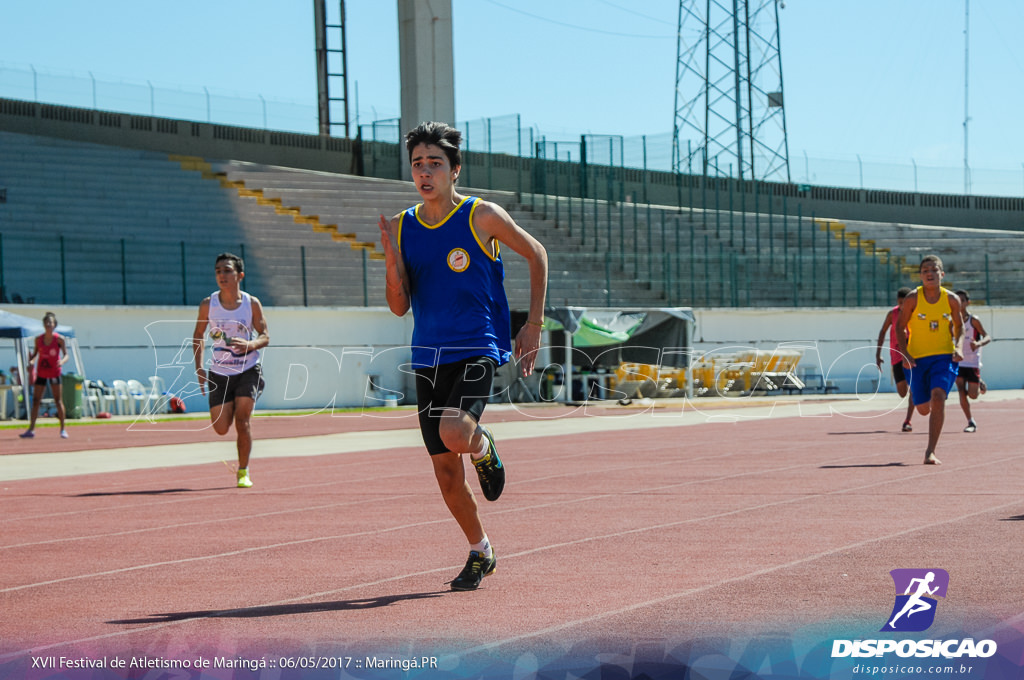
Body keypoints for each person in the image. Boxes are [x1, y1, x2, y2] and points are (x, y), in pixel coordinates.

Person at [377, 121, 548, 591]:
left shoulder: (481, 216)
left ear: (455, 170)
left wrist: (531, 324)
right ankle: (481, 551)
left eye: (435, 163)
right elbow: (398, 306)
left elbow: (536, 253)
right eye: (417, 164)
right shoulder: (402, 227)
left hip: (476, 344)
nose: (425, 172)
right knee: (445, 469)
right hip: (429, 354)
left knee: (456, 432)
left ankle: (484, 445)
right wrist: (392, 260)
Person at [192, 252, 270, 488]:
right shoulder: (208, 305)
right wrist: (199, 369)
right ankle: (235, 402)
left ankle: (243, 471)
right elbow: (198, 335)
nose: (222, 275)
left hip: (248, 368)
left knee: (242, 420)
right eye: (218, 271)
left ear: (240, 275)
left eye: (227, 270)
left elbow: (265, 335)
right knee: (220, 428)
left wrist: (251, 345)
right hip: (219, 371)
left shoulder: (251, 303)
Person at [896, 255, 963, 465]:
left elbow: (960, 326)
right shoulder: (913, 299)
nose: (929, 274)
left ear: (942, 274)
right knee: (923, 409)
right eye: (925, 271)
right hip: (916, 360)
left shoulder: (951, 299)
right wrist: (905, 354)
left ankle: (930, 451)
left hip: (944, 357)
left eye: (934, 270)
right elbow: (899, 326)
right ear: (920, 275)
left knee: (938, 396)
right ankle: (927, 403)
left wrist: (959, 347)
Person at [19, 311, 70, 439]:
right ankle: (31, 429)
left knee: (58, 400)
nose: (48, 325)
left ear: (54, 325)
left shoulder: (59, 339)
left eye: (51, 323)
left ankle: (63, 429)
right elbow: (35, 354)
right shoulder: (38, 339)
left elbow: (66, 355)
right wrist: (31, 362)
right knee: (36, 400)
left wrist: (62, 361)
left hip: (54, 372)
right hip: (42, 372)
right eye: (46, 323)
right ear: (43, 325)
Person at [875, 286, 915, 432]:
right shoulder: (893, 314)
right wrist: (877, 354)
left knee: (914, 390)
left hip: (912, 354)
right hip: (896, 356)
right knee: (902, 392)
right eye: (900, 302)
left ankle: (908, 420)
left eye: (905, 302)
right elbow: (883, 331)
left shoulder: (915, 313)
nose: (903, 305)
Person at [954, 289, 990, 433]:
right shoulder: (952, 321)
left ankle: (979, 382)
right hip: (958, 361)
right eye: (957, 300)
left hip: (972, 362)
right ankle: (970, 421)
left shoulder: (973, 320)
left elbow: (987, 336)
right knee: (961, 391)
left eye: (962, 300)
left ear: (967, 303)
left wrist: (978, 344)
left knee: (973, 395)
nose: (959, 303)